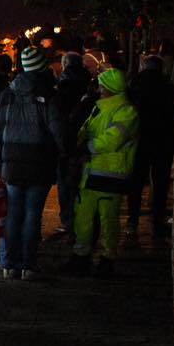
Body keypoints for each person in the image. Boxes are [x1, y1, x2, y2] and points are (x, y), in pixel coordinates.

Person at [0, 47, 64, 279]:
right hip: (39, 164)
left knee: (12, 214)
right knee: (32, 215)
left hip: (11, 165)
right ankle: (28, 264)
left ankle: (8, 263)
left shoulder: (6, 95)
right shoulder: (49, 96)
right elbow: (59, 132)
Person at [64, 68, 141, 278]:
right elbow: (86, 130)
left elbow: (113, 138)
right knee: (84, 217)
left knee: (108, 219)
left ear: (110, 88)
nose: (99, 89)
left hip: (110, 173)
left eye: (102, 85)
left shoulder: (127, 111)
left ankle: (107, 260)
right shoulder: (101, 108)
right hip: (93, 172)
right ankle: (83, 256)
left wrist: (85, 146)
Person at [127, 55, 174, 240]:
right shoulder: (168, 87)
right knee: (160, 183)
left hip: (140, 139)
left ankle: (132, 221)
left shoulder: (134, 85)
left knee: (136, 182)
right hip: (163, 141)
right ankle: (157, 221)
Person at [52, 52, 96, 239]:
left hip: (66, 141)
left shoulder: (61, 87)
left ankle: (68, 220)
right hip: (87, 139)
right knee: (84, 185)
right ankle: (85, 221)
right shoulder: (90, 84)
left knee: (65, 182)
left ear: (64, 65)